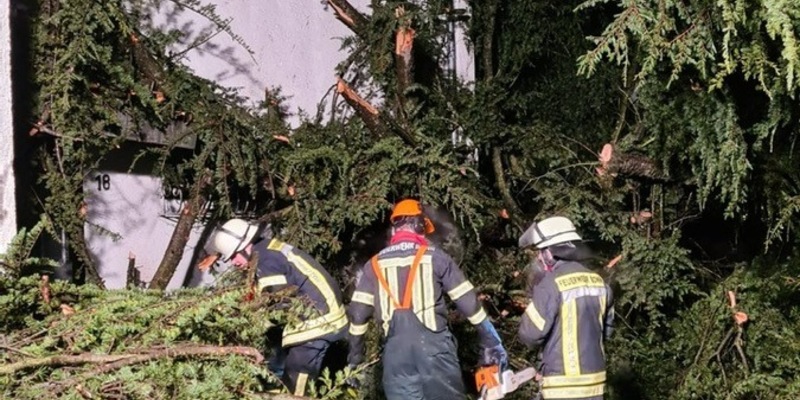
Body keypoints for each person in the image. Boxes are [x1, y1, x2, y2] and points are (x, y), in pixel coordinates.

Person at [346, 198, 508, 400]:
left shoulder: (374, 265)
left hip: (396, 358)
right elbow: (470, 304)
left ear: (395, 229)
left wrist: (355, 360)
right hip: (435, 352)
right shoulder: (436, 258)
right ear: (418, 225)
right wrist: (491, 341)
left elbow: (358, 316)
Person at [204, 218, 348, 396]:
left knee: (297, 380)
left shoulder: (266, 262)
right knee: (286, 372)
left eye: (233, 256)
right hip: (325, 315)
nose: (233, 262)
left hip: (317, 322)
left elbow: (277, 303)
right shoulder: (267, 250)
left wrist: (250, 323)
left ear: (245, 246)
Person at [517, 216, 614, 400]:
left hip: (562, 387)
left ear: (550, 253)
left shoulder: (549, 285)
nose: (539, 257)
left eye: (541, 251)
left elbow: (529, 334)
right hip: (595, 385)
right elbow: (607, 332)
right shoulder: (600, 284)